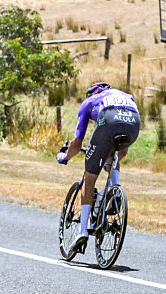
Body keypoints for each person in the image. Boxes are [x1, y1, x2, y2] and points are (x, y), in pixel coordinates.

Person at [57, 82, 141, 254]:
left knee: (89, 177)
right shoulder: (125, 96)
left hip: (109, 121)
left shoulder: (89, 102)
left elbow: (77, 143)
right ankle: (114, 190)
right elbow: (122, 150)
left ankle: (82, 232)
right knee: (116, 153)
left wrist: (65, 157)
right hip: (134, 122)